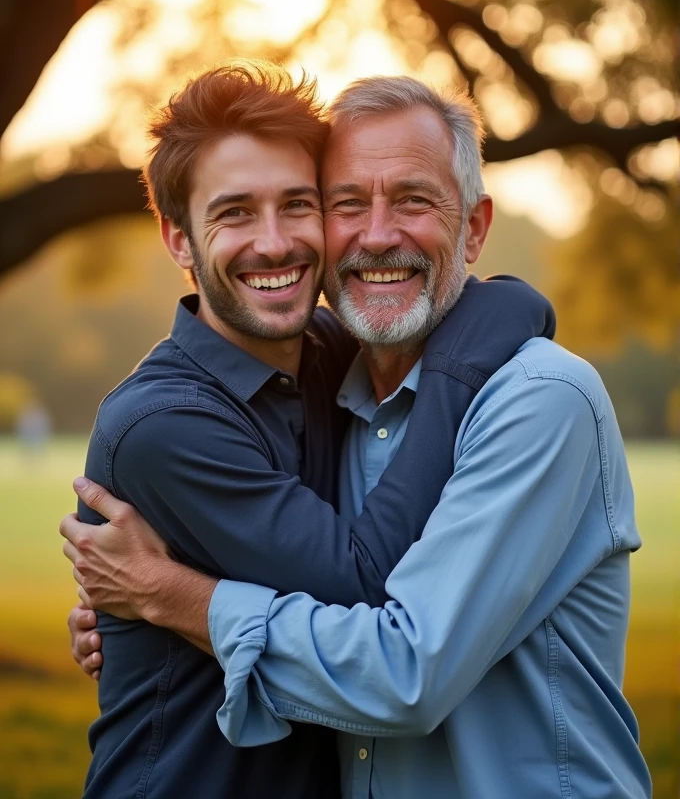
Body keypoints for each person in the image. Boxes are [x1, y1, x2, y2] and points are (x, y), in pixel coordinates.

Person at [60, 63, 556, 799]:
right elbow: (363, 590)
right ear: (178, 238)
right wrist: (479, 339)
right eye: (233, 214)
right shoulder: (162, 425)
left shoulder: (331, 357)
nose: (274, 243)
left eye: (299, 205)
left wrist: (509, 305)